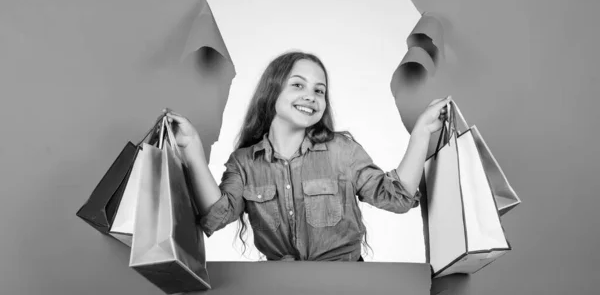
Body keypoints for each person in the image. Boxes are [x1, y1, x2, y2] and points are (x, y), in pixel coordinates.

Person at [163, 51, 450, 262]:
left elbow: (398, 198)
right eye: (298, 85)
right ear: (272, 91)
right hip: (283, 287)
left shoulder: (343, 151)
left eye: (319, 90)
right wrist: (191, 149)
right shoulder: (244, 162)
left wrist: (421, 134)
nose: (311, 96)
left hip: (345, 286)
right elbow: (215, 217)